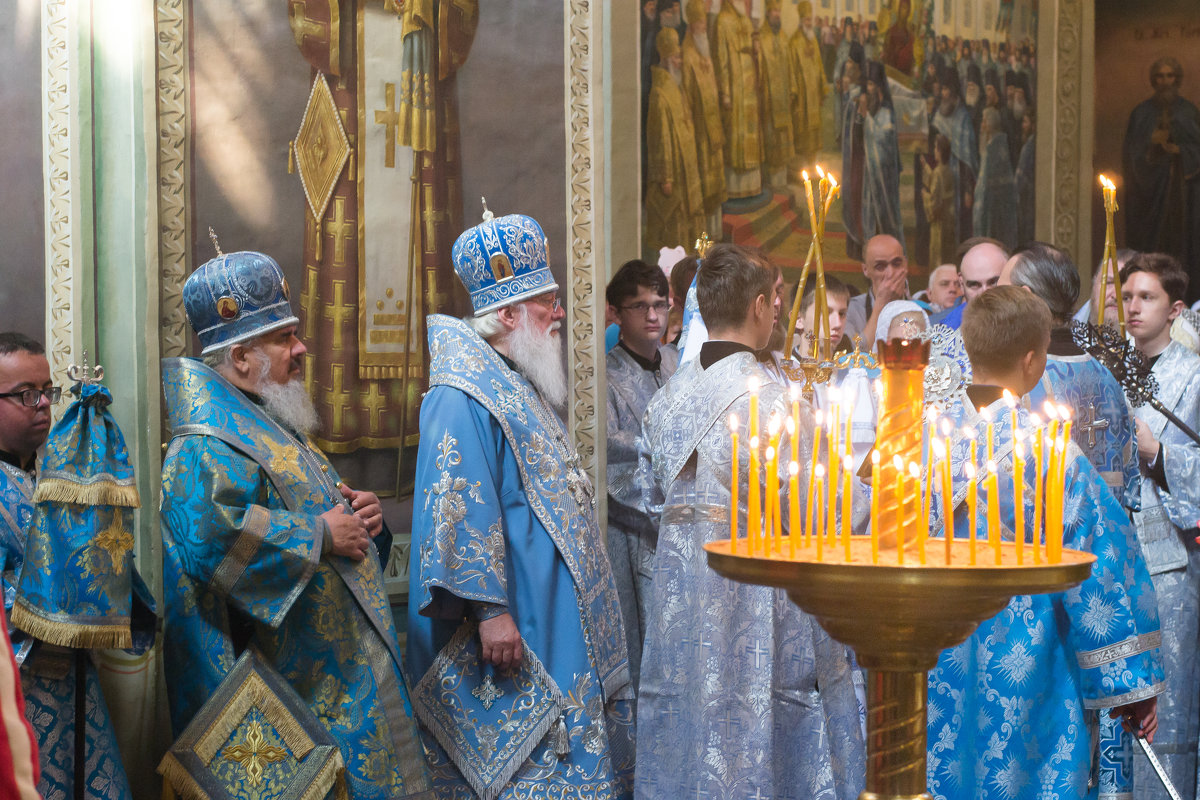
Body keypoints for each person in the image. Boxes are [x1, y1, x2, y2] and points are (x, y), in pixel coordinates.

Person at [159, 252, 428, 800]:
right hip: (284, 686)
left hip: (332, 673)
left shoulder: (273, 426)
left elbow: (323, 518)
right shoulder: (203, 445)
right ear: (240, 358)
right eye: (285, 338)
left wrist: (362, 521)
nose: (303, 349)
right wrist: (320, 534)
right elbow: (209, 541)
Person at [408, 210, 635, 798]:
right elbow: (456, 502)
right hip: (518, 615)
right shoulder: (461, 393)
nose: (559, 312)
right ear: (507, 315)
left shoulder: (513, 378)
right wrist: (489, 611)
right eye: (546, 302)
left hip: (550, 604)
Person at [638, 243, 864, 799]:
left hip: (682, 595)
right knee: (758, 713)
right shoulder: (773, 400)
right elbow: (825, 506)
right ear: (760, 305)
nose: (781, 314)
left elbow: (647, 501)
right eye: (778, 301)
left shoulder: (668, 397)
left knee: (690, 713)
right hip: (758, 594)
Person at [927, 286, 1165, 800]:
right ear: (1034, 360)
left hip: (939, 658)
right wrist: (1130, 681)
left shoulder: (927, 446)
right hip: (1033, 664)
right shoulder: (1053, 458)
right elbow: (1101, 573)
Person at [1000, 242, 1148, 799]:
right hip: (1104, 593)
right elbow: (1126, 491)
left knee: (1042, 757)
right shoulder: (1106, 378)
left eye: (1006, 288)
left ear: (1029, 298)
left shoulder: (1021, 386)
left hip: (1039, 594)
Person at [0, 332, 138, 800]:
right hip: (16, 690)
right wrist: (61, 599)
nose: (43, 404)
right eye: (25, 394)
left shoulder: (56, 473)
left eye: (47, 391)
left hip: (76, 683)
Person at [1119, 252, 1200, 800]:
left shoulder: (1194, 377)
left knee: (1165, 706)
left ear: (1173, 310)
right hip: (1111, 558)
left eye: (1145, 298)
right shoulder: (1106, 368)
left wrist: (1158, 453)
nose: (1132, 308)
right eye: (1126, 296)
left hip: (1169, 563)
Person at [605, 259, 680, 691]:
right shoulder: (605, 376)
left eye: (660, 304)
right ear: (615, 312)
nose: (653, 316)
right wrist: (668, 452)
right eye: (639, 306)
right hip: (635, 531)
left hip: (685, 524)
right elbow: (609, 449)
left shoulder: (678, 364)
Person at [1123, 57, 1200, 302]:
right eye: (1160, 76)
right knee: (1152, 248)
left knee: (1183, 248)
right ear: (1153, 80)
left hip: (1183, 198)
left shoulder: (1188, 111)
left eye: (1170, 76)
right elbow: (1131, 156)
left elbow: (1196, 148)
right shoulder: (1142, 113)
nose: (1165, 81)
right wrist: (1152, 146)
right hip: (1151, 200)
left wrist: (1181, 152)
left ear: (1177, 79)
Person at [645, 27, 704, 255]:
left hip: (687, 168)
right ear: (666, 59)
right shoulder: (660, 94)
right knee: (675, 226)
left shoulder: (676, 87)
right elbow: (660, 139)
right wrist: (666, 176)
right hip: (675, 174)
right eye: (677, 58)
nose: (680, 62)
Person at [680, 0, 726, 238]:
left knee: (716, 184)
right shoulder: (686, 56)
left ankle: (716, 230)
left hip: (714, 130)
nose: (703, 27)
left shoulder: (706, 53)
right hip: (699, 133)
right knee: (705, 186)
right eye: (699, 23)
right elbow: (686, 97)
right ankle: (705, 236)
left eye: (704, 22)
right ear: (691, 25)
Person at [713, 0, 763, 199]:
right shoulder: (722, 21)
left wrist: (756, 50)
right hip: (735, 83)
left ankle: (753, 184)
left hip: (749, 82)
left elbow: (754, 46)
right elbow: (721, 58)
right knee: (737, 132)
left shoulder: (745, 19)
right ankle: (736, 188)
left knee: (750, 131)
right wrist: (725, 92)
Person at [860, 61, 905, 250]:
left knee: (887, 220)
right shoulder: (871, 110)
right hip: (871, 178)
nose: (868, 89)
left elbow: (885, 145)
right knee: (872, 220)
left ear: (879, 88)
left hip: (885, 179)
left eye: (871, 85)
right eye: (867, 84)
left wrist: (867, 119)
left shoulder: (887, 113)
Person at [932, 65, 979, 246]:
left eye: (946, 90)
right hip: (942, 180)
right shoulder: (939, 115)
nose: (943, 94)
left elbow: (967, 160)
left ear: (953, 92)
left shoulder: (963, 118)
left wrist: (968, 190)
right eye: (942, 89)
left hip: (959, 183)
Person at [844, 233, 910, 345]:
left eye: (897, 264)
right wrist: (882, 303)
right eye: (880, 266)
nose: (890, 273)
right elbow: (854, 358)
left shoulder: (922, 309)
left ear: (906, 265)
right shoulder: (850, 310)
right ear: (866, 270)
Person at [932, 237, 1008, 329]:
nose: (985, 293)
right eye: (974, 285)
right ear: (961, 283)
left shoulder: (1028, 325)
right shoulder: (942, 332)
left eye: (993, 282)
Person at [758, 0, 794, 190]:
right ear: (767, 13)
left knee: (783, 139)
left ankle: (782, 179)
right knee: (771, 138)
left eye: (778, 11)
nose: (777, 14)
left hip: (784, 98)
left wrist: (793, 89)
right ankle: (771, 181)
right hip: (770, 99)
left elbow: (790, 66)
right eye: (773, 11)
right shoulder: (761, 38)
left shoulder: (784, 38)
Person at [788, 2, 827, 175]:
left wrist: (823, 88)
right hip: (803, 98)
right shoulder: (794, 42)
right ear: (801, 20)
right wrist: (794, 93)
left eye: (810, 19)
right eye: (806, 19)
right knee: (803, 132)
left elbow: (819, 65)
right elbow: (791, 69)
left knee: (815, 132)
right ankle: (803, 168)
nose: (809, 23)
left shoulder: (813, 40)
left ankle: (814, 165)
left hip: (814, 96)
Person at [972, 106, 1018, 248]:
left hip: (996, 202)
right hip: (989, 200)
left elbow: (998, 179)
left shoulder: (997, 145)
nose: (982, 125)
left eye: (984, 122)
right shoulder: (990, 143)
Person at [923, 135, 957, 268]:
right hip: (949, 219)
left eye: (936, 148)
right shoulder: (949, 171)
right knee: (948, 255)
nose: (934, 151)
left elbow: (935, 201)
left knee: (938, 256)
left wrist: (925, 195)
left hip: (939, 222)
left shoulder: (938, 172)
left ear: (940, 151)